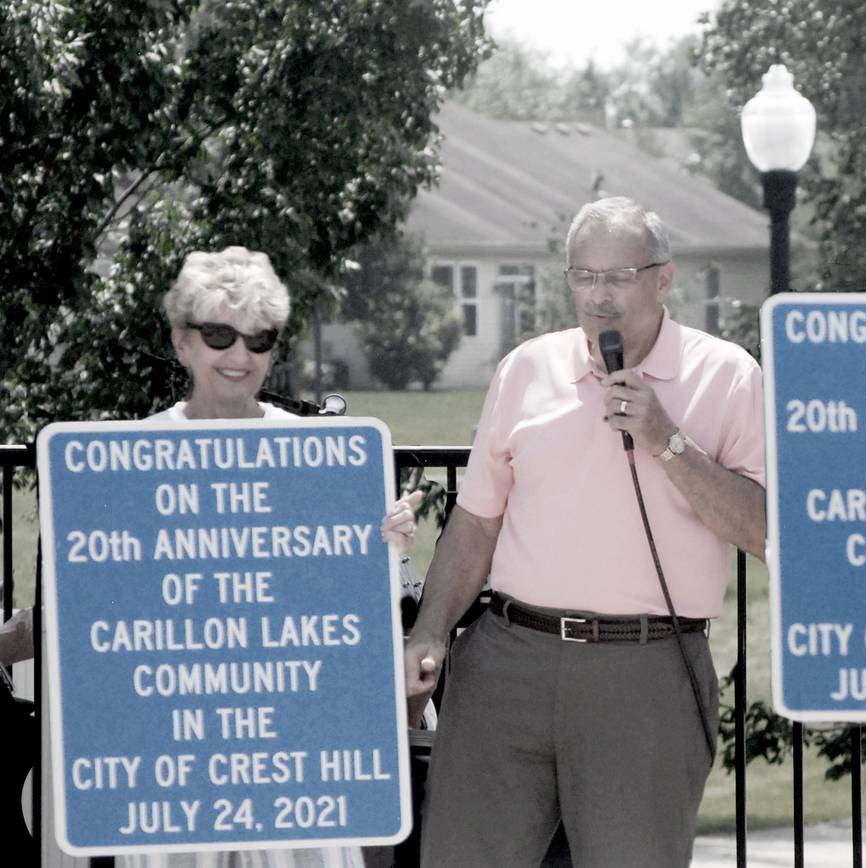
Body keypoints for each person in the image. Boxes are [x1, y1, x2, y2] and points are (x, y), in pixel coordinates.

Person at [405, 197, 766, 867]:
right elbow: (477, 521)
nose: (599, 296)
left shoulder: (727, 376)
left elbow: (765, 528)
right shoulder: (526, 369)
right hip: (509, 663)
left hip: (646, 672)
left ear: (664, 279)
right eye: (583, 276)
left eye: (620, 275)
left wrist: (668, 442)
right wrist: (430, 630)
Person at [121, 246, 423, 868]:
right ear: (182, 342)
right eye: (218, 334)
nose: (238, 356)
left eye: (258, 339)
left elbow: (348, 622)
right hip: (178, 760)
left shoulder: (321, 458)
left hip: (297, 757)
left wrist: (386, 547)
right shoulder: (129, 460)